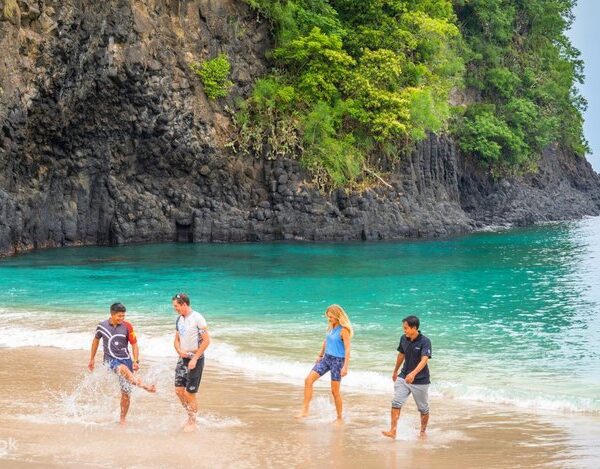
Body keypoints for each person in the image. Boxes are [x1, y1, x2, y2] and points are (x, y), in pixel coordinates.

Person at [88, 302, 156, 425]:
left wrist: (136, 361)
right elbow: (95, 341)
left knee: (126, 393)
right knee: (122, 368)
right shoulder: (102, 326)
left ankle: (122, 420)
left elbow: (134, 344)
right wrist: (91, 358)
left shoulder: (127, 326)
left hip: (126, 359)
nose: (122, 318)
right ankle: (144, 386)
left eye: (123, 316)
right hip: (110, 360)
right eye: (119, 316)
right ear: (112, 314)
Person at [296, 304, 353, 423]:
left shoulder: (344, 330)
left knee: (335, 392)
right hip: (326, 358)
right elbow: (326, 341)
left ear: (337, 316)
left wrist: (345, 367)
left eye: (331, 317)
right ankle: (305, 410)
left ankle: (339, 418)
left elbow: (348, 349)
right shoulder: (331, 326)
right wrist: (320, 355)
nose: (329, 319)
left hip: (338, 361)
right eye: (328, 316)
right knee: (308, 380)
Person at [382, 315, 432, 439]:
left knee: (423, 409)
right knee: (396, 402)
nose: (404, 330)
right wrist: (395, 371)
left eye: (406, 328)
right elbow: (401, 355)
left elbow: (424, 360)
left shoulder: (425, 341)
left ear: (414, 328)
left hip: (420, 380)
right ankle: (393, 431)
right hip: (403, 376)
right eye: (403, 328)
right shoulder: (403, 338)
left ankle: (422, 431)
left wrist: (413, 373)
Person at [172, 293, 211, 432]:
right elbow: (176, 339)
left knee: (189, 393)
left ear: (184, 304)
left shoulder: (197, 318)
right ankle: (190, 414)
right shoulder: (179, 319)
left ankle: (192, 421)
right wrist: (179, 350)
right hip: (182, 358)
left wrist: (194, 359)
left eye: (176, 306)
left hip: (196, 359)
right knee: (179, 391)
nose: (175, 309)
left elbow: (206, 341)